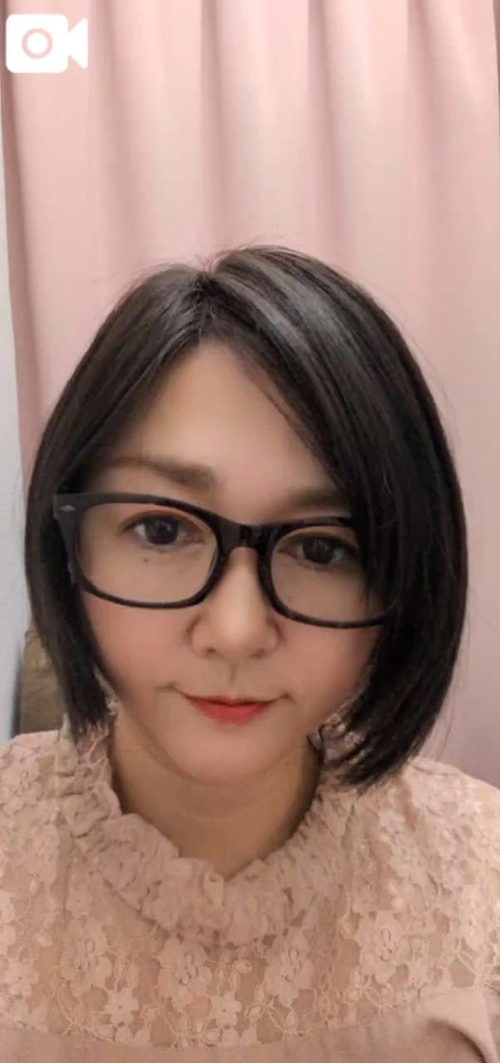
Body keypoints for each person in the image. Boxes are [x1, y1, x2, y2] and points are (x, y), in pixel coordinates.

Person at [0, 246, 498, 1062]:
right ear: (68, 548)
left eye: (322, 548)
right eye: (162, 529)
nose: (235, 631)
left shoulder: (483, 877)